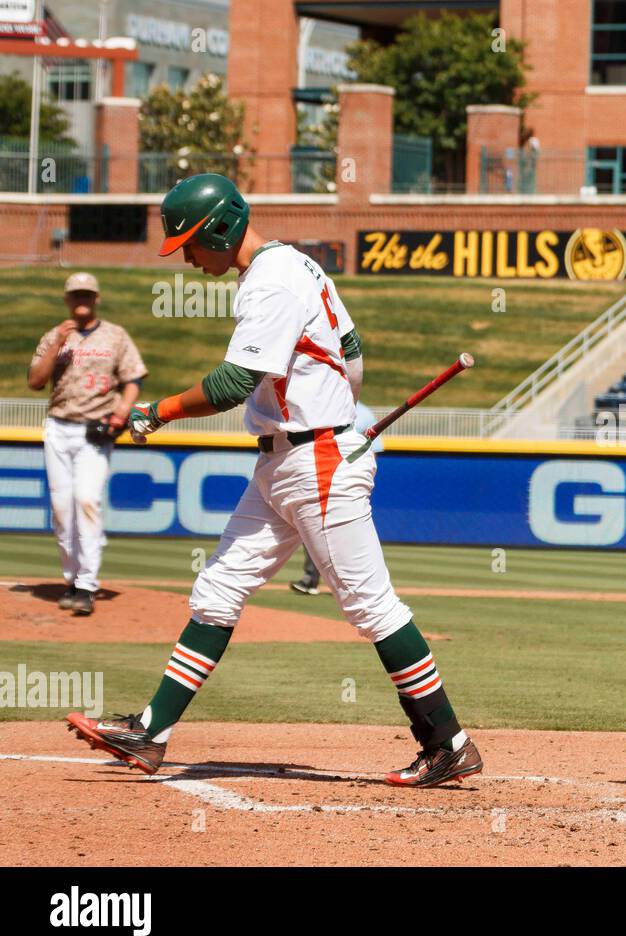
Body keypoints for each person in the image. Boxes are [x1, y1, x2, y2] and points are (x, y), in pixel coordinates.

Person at [66, 173, 482, 789]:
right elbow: (354, 349)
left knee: (370, 606)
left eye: (189, 242)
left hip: (314, 458)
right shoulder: (298, 267)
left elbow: (234, 383)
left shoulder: (272, 280)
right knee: (219, 586)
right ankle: (151, 733)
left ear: (221, 229)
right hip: (291, 456)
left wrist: (159, 411)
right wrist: (343, 408)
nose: (185, 256)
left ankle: (447, 742)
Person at [28, 272, 147, 616]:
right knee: (62, 509)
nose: (81, 300)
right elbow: (36, 381)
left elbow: (133, 378)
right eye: (75, 295)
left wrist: (122, 410)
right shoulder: (55, 335)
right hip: (58, 428)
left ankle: (87, 585)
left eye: (86, 294)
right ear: (67, 299)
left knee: (87, 501)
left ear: (96, 298)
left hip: (94, 430)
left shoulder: (115, 335)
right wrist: (55, 346)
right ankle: (71, 579)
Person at [290, 401, 382, 595]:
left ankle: (350, 585)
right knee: (314, 528)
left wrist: (365, 481)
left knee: (349, 534)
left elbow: (373, 450)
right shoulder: (323, 404)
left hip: (350, 478)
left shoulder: (363, 412)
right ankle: (312, 580)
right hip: (322, 472)